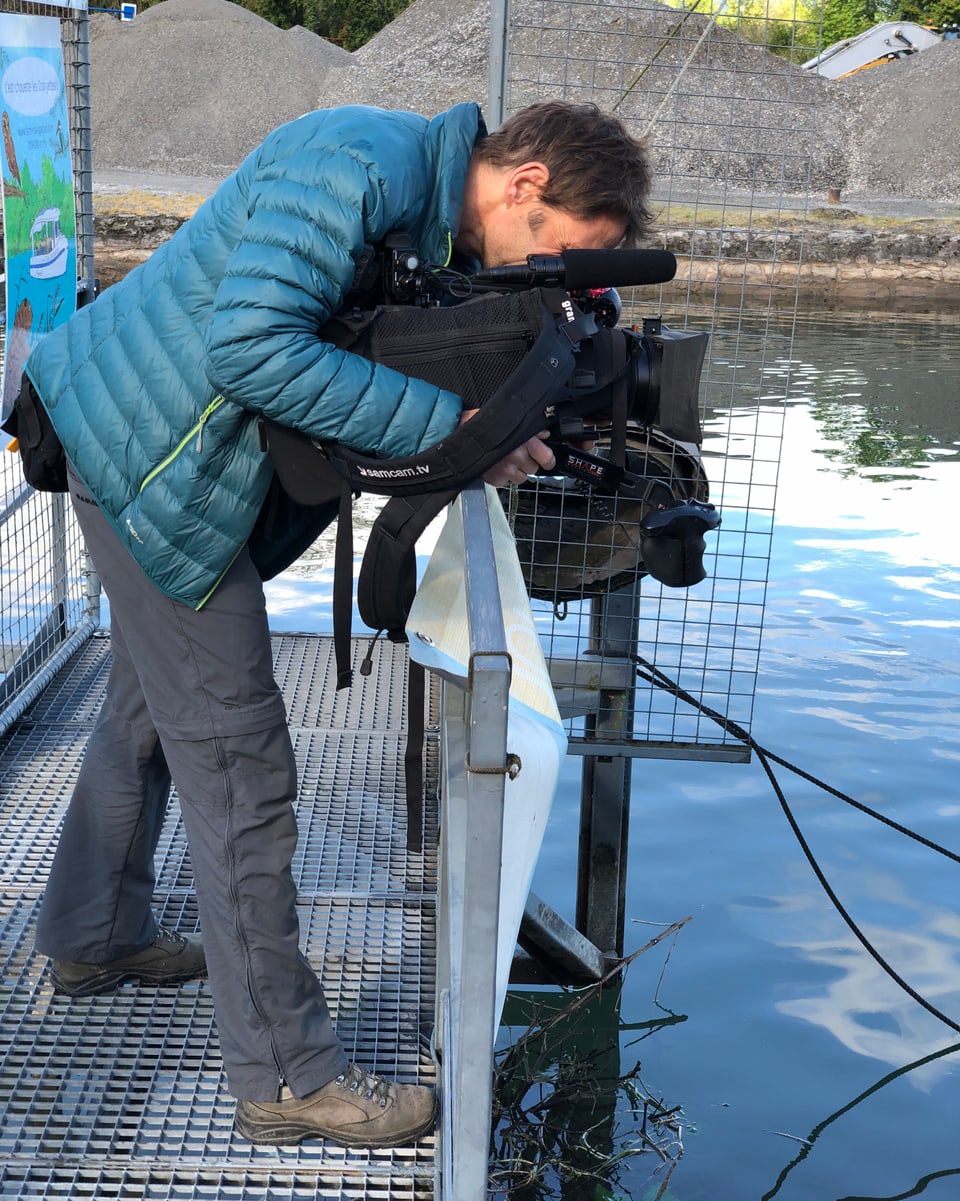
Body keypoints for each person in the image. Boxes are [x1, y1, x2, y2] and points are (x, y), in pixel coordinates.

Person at [23, 98, 654, 1148]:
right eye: (557, 254)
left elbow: (362, 340)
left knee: (147, 715)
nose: (546, 279)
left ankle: (94, 935)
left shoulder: (417, 204)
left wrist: (488, 424)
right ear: (527, 184)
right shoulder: (358, 162)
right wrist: (446, 431)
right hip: (147, 466)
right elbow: (252, 348)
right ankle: (286, 1077)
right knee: (239, 765)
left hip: (159, 454)